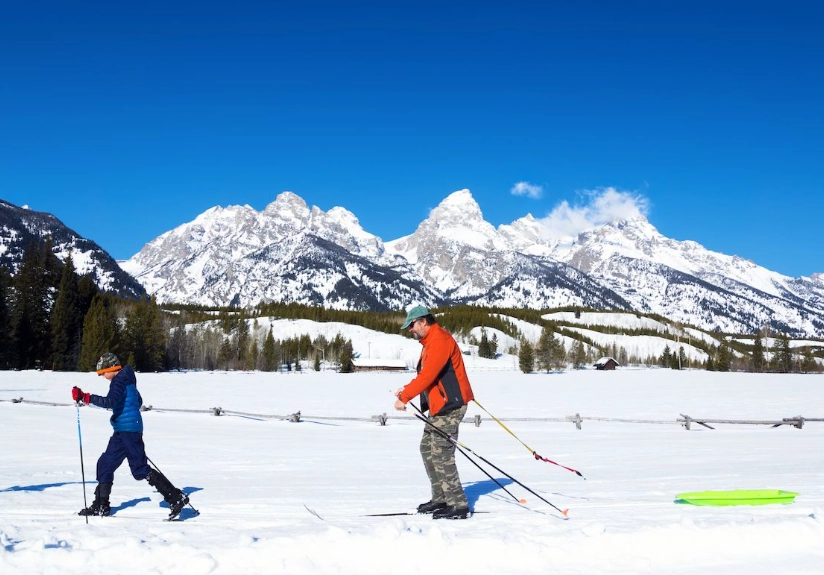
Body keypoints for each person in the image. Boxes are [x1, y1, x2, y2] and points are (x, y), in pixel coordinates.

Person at [71, 353, 189, 519]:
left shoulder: (119, 381)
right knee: (105, 464)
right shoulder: (127, 380)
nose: (103, 376)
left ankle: (176, 497)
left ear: (111, 368)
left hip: (129, 431)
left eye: (103, 372)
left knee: (139, 469)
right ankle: (101, 505)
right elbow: (138, 400)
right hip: (122, 430)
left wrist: (85, 397)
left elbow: (109, 402)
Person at [394, 305, 475, 519]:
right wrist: (408, 388)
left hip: (451, 406)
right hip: (440, 406)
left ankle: (458, 505)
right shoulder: (429, 342)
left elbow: (428, 375)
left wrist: (405, 397)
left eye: (411, 325)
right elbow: (427, 375)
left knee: (441, 452)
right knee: (427, 449)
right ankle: (441, 498)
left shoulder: (439, 341)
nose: (410, 329)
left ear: (423, 321)